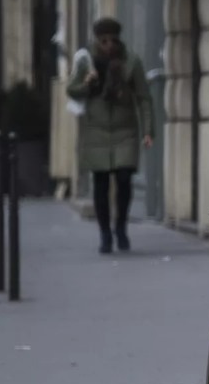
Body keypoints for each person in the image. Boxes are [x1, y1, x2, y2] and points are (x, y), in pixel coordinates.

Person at [66, 18, 154, 254]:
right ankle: (105, 233)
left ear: (118, 39)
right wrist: (87, 83)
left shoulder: (131, 61)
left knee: (124, 179)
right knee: (101, 183)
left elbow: (144, 97)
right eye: (103, 40)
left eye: (112, 40)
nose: (108, 45)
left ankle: (121, 227)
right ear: (97, 40)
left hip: (125, 130)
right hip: (96, 130)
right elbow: (70, 89)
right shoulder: (86, 61)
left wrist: (148, 130)